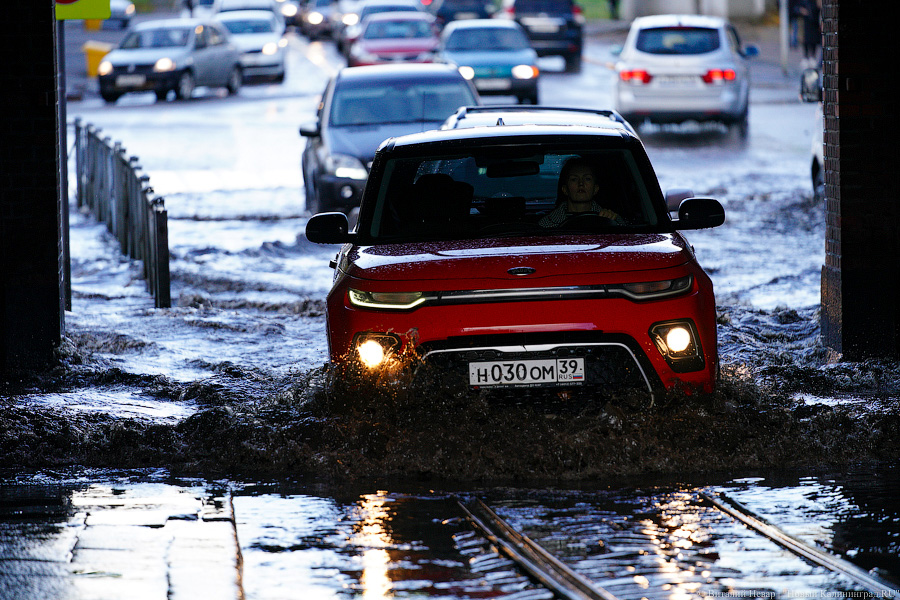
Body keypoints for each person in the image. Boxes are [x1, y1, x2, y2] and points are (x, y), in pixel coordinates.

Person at [539, 157, 625, 228]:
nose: (581, 184)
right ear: (565, 189)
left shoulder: (611, 220)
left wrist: (611, 221)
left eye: (587, 179)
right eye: (574, 179)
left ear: (595, 189)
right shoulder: (547, 225)